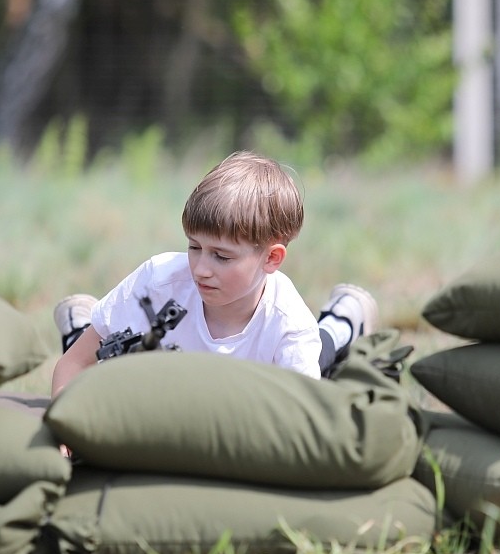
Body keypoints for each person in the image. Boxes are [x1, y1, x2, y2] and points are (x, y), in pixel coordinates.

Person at [49, 150, 378, 399]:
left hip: (277, 373)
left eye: (222, 256)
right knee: (106, 362)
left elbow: (299, 424)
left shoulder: (289, 326)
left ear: (272, 258)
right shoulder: (159, 282)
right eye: (194, 247)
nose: (201, 269)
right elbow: (75, 363)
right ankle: (81, 324)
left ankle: (343, 321)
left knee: (320, 353)